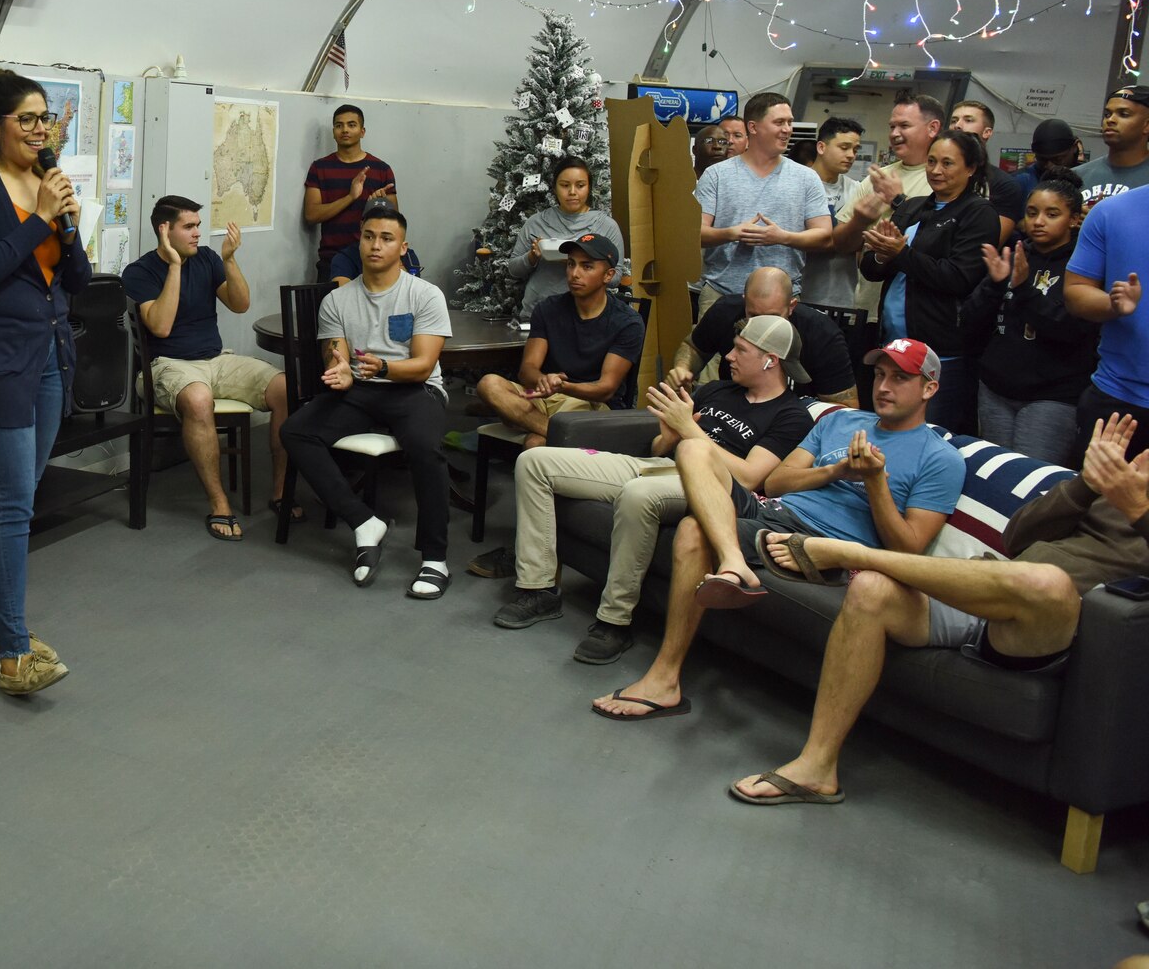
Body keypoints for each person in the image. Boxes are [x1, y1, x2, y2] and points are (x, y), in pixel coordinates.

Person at [727, 412, 1148, 805]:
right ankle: (817, 767)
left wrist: (1138, 511)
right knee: (871, 591)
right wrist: (1085, 486)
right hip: (986, 591)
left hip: (1041, 629)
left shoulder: (1134, 501)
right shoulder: (1112, 487)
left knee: (1047, 581)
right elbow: (1016, 538)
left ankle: (851, 554)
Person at [593, 339, 965, 722]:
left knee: (692, 529)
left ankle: (665, 679)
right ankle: (734, 562)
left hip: (817, 542)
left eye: (900, 378)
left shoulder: (941, 459)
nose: (884, 387)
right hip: (773, 509)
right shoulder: (841, 421)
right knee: (692, 449)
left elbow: (907, 550)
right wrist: (835, 471)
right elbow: (776, 482)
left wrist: (874, 483)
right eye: (880, 375)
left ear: (929, 388)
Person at [491, 315, 814, 665]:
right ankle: (539, 590)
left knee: (637, 495)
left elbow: (750, 477)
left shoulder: (791, 415)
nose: (729, 357)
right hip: (660, 465)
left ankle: (614, 620)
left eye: (740, 350)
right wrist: (671, 433)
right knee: (535, 462)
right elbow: (659, 448)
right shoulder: (718, 390)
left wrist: (689, 432)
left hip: (708, 486)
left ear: (771, 360)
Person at [0, 68, 91, 697]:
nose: (38, 130)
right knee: (11, 502)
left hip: (50, 354)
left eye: (44, 118)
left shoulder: (46, 184)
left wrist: (68, 223)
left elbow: (76, 280)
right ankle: (13, 653)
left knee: (21, 492)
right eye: (26, 119)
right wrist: (38, 219)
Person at [281, 203, 455, 597]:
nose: (376, 245)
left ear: (403, 247)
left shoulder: (425, 295)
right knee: (296, 431)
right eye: (369, 236)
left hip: (414, 388)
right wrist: (339, 369)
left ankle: (434, 558)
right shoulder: (337, 300)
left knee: (426, 450)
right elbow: (337, 354)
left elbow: (424, 365)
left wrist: (383, 369)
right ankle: (364, 522)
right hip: (362, 389)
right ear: (359, 240)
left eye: (387, 238)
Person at [123, 196, 290, 541]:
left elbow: (240, 304)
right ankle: (219, 504)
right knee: (199, 400)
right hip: (166, 366)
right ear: (164, 230)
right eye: (190, 227)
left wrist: (229, 260)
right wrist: (173, 267)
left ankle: (280, 493)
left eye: (199, 225)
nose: (199, 233)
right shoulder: (139, 272)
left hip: (216, 360)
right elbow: (162, 327)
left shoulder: (209, 259)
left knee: (286, 388)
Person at [860, 130, 997, 433]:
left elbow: (958, 277)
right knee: (885, 430)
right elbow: (871, 268)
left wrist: (900, 253)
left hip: (942, 351)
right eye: (932, 161)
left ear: (971, 168)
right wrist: (883, 254)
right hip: (893, 345)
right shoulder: (912, 206)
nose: (936, 171)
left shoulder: (978, 213)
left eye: (947, 163)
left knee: (932, 434)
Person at [961, 169, 1098, 467]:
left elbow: (1071, 329)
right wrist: (996, 285)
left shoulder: (1084, 264)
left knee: (1030, 484)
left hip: (1052, 396)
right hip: (996, 389)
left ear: (1074, 219)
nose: (1038, 221)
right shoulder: (1015, 254)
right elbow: (970, 321)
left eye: (1052, 214)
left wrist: (1024, 290)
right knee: (994, 478)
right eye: (1032, 212)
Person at [476, 233, 645, 447]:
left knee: (535, 444)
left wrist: (562, 387)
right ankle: (563, 433)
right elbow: (527, 370)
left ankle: (538, 426)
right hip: (543, 397)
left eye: (587, 267)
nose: (574, 274)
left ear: (608, 275)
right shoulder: (548, 309)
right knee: (489, 384)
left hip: (589, 405)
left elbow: (605, 389)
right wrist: (543, 380)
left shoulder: (627, 321)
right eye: (571, 264)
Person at [694, 91, 833, 311]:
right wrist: (732, 233)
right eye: (779, 122)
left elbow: (824, 236)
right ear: (753, 127)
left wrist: (782, 237)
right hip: (721, 294)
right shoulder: (717, 175)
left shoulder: (806, 177)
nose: (787, 129)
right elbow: (694, 233)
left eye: (789, 122)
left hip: (782, 299)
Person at [668, 266, 858, 407]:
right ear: (744, 302)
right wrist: (682, 369)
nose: (762, 324)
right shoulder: (725, 311)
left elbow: (845, 410)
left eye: (773, 317)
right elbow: (694, 347)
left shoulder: (822, 334)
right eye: (754, 316)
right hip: (733, 410)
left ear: (791, 306)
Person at [1065, 184, 1149, 463]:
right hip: (1119, 398)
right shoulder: (1112, 212)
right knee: (1093, 504)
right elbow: (1076, 291)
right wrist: (1112, 305)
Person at [501, 157, 625, 322]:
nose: (572, 192)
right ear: (554, 188)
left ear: (589, 188)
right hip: (537, 314)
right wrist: (532, 256)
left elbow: (615, 277)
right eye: (565, 185)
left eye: (580, 185)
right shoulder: (536, 222)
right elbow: (513, 270)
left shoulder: (606, 226)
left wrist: (580, 262)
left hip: (588, 318)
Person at [834, 93, 947, 260]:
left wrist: (899, 200)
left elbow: (946, 238)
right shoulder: (881, 177)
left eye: (904, 125)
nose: (894, 134)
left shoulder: (948, 179)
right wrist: (859, 221)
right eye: (892, 127)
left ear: (933, 128)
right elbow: (842, 245)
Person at [302, 103, 397, 278]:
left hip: (372, 260)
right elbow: (311, 215)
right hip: (331, 260)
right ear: (333, 132)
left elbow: (394, 222)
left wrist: (377, 207)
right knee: (331, 306)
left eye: (351, 125)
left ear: (362, 131)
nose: (344, 130)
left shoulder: (381, 169)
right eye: (339, 125)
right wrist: (351, 197)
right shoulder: (320, 167)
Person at [799, 116, 865, 309]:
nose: (852, 155)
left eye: (855, 149)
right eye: (844, 147)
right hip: (799, 293)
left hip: (842, 297)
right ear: (821, 147)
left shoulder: (857, 189)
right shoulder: (798, 184)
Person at [947, 98, 1026, 241]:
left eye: (968, 120)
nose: (957, 126)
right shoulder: (937, 175)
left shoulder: (1004, 185)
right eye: (953, 120)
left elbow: (990, 243)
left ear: (987, 132)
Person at [1073, 83, 1149, 210]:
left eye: (1124, 114)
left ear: (1147, 125)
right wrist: (1072, 219)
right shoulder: (1077, 176)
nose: (1110, 120)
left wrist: (1103, 220)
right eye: (1107, 114)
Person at [1013, 117, 1083, 198]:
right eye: (1042, 160)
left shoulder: (1090, 177)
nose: (1049, 166)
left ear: (1074, 147)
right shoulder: (1020, 183)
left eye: (1058, 159)